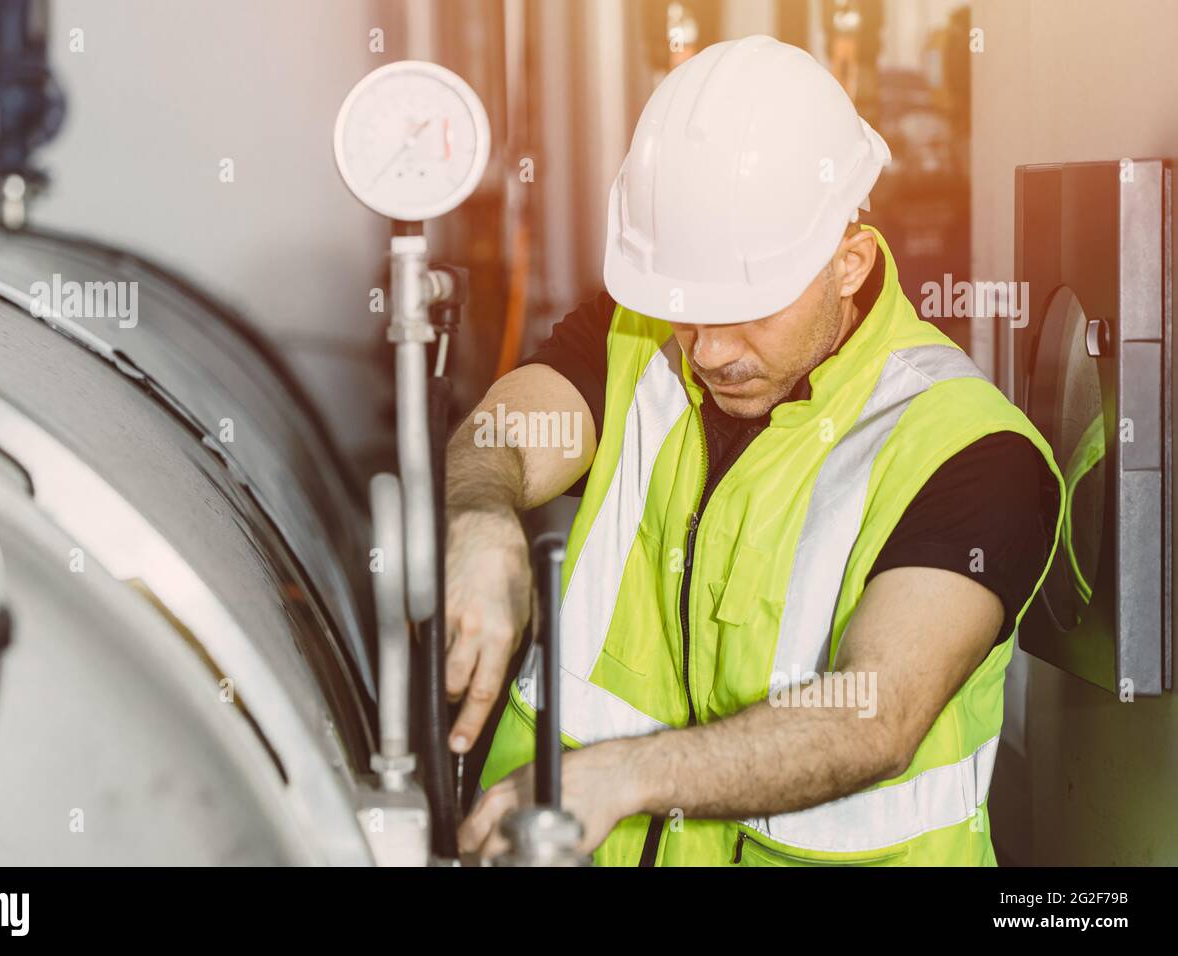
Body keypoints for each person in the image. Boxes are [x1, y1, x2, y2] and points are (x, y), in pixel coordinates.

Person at [443, 36, 1064, 866]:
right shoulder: (637, 338)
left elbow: (873, 715)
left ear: (849, 264)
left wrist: (619, 778)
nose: (706, 349)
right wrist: (479, 513)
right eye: (686, 309)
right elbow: (499, 438)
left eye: (747, 310)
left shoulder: (972, 452)